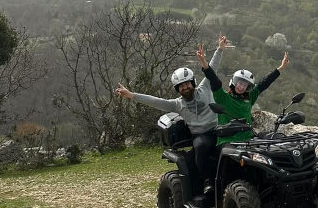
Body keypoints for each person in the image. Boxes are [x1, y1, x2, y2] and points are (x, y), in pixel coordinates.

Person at [114, 34, 226, 192]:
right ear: (177, 89)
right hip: (202, 136)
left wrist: (220, 48)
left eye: (187, 83)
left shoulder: (204, 88)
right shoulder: (177, 104)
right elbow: (155, 101)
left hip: (219, 129)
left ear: (192, 83)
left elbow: (212, 68)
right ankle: (207, 181)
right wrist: (132, 96)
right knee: (200, 147)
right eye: (181, 86)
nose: (185, 87)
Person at [196, 43, 289, 143]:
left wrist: (281, 67)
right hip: (227, 141)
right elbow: (214, 80)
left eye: (245, 85)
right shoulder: (222, 97)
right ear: (234, 82)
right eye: (240, 83)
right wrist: (203, 62)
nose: (241, 87)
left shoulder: (249, 97)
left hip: (248, 140)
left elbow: (264, 83)